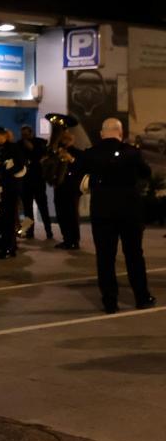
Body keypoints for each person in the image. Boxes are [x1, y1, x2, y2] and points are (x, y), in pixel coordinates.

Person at [79, 118, 156, 313]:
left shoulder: (91, 154)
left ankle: (110, 302)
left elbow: (78, 174)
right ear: (120, 133)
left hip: (102, 212)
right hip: (130, 210)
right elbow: (146, 173)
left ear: (102, 133)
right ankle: (141, 297)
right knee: (134, 255)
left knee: (105, 257)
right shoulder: (132, 152)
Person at [0, 127, 25, 258]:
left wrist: (2, 171)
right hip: (1, 188)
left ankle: (9, 248)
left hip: (11, 187)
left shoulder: (13, 148)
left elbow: (20, 165)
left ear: (4, 136)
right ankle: (7, 246)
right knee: (3, 219)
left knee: (9, 218)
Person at [19, 125, 52, 240]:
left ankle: (49, 231)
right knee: (27, 210)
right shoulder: (19, 144)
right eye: (23, 135)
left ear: (31, 133)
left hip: (38, 180)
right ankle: (29, 232)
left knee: (43, 207)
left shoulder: (39, 142)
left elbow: (41, 156)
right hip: (25, 181)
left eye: (26, 134)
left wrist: (32, 149)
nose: (25, 137)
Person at [53, 129, 84, 250]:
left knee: (72, 214)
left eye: (66, 139)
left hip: (72, 188)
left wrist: (71, 159)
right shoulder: (56, 152)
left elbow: (81, 168)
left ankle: (74, 241)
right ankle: (66, 239)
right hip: (59, 186)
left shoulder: (79, 153)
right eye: (63, 139)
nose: (64, 141)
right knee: (61, 214)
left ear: (71, 140)